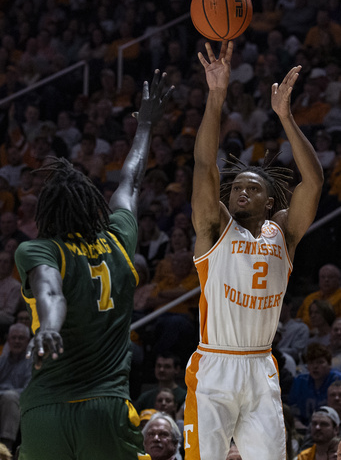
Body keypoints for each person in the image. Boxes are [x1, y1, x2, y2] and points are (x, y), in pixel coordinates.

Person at [14, 70, 173, 460]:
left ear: (48, 214)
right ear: (92, 206)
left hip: (44, 412)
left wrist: (50, 328)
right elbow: (131, 181)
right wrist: (146, 126)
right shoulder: (119, 239)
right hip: (105, 410)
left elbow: (50, 290)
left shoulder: (40, 250)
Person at [184, 40, 323, 460]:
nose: (242, 191)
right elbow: (205, 166)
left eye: (253, 187)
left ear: (269, 203)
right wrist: (216, 96)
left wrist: (286, 117)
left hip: (261, 367)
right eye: (237, 186)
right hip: (215, 366)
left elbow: (313, 182)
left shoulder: (283, 233)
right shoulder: (213, 228)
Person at [288, 343, 341, 429]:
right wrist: (298, 424)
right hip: (303, 428)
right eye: (311, 363)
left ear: (329, 365)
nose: (315, 367)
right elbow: (293, 411)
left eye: (320, 362)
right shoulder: (300, 381)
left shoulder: (337, 379)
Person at [0, 323, 32, 453]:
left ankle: (5, 449)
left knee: (10, 397)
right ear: (8, 340)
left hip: (20, 402)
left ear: (28, 341)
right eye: (14, 338)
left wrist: (4, 393)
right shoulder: (2, 360)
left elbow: (28, 390)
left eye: (21, 338)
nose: (17, 341)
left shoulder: (32, 362)